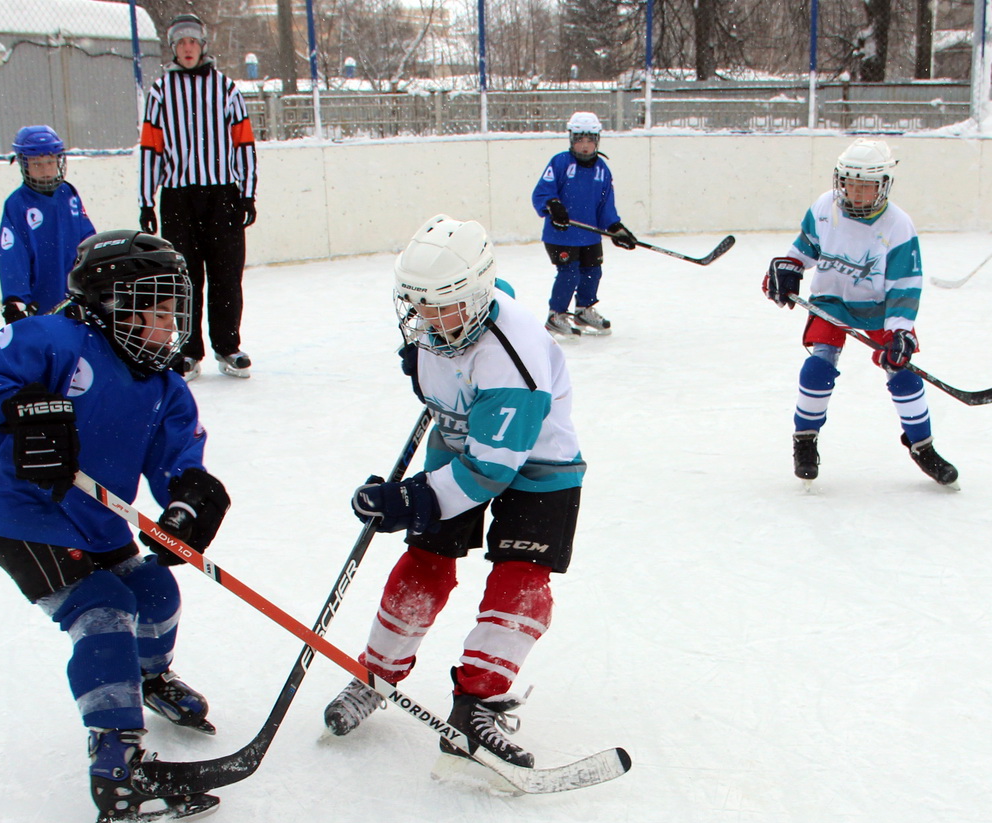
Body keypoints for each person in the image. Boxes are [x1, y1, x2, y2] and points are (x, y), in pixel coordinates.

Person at [0, 229, 232, 823]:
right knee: (103, 610)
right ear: (113, 305)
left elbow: (179, 462)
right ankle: (116, 759)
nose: (172, 327)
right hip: (26, 519)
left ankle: (148, 676)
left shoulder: (164, 386)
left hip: (97, 519)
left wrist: (188, 503)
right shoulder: (51, 339)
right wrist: (21, 410)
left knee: (156, 593)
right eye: (156, 312)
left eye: (175, 312)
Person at [322, 214, 587, 772]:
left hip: (539, 461)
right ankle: (377, 672)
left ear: (475, 295)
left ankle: (477, 705)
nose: (426, 319)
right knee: (425, 561)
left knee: (522, 581)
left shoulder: (511, 362)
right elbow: (493, 301)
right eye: (417, 304)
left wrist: (409, 500)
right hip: (463, 437)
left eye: (440, 304)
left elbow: (486, 473)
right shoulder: (441, 322)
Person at [762, 138, 957, 487]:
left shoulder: (898, 226)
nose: (856, 192)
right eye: (850, 183)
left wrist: (900, 331)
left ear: (883, 185)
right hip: (832, 300)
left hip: (881, 308)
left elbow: (904, 285)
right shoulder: (825, 207)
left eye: (866, 185)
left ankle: (921, 445)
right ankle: (805, 440)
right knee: (818, 367)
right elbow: (803, 249)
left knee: (903, 372)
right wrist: (787, 268)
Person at [139, 12, 258, 380]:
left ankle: (228, 346)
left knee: (226, 273)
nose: (188, 49)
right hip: (178, 198)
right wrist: (147, 199)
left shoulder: (225, 88)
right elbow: (150, 149)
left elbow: (244, 143)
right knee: (184, 275)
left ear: (202, 46)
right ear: (173, 48)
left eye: (193, 42)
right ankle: (188, 351)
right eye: (181, 43)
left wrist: (247, 193)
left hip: (222, 195)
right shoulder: (160, 91)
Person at [531, 111, 638, 338]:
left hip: (589, 236)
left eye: (590, 140)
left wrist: (617, 230)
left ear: (597, 140)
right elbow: (542, 193)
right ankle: (556, 315)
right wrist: (553, 205)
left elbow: (605, 207)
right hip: (560, 235)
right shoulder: (560, 162)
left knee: (592, 271)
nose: (585, 146)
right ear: (571, 139)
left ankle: (583, 310)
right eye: (580, 140)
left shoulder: (602, 170)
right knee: (569, 273)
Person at [0, 125, 96, 324]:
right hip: (39, 302)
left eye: (50, 162)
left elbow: (88, 239)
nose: (45, 170)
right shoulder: (17, 204)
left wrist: (94, 278)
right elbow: (12, 255)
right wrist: (15, 299)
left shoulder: (69, 194)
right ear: (24, 165)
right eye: (37, 164)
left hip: (74, 301)